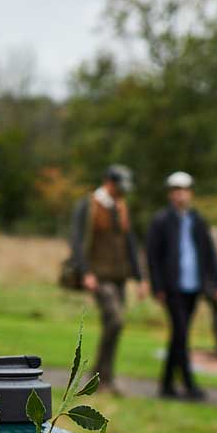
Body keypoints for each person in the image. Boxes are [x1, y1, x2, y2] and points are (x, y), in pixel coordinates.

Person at [145, 172, 217, 402]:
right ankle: (190, 386)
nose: (180, 195)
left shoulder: (197, 221)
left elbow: (210, 255)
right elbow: (153, 257)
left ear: (190, 193)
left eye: (184, 190)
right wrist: (157, 286)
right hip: (172, 287)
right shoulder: (161, 221)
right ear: (171, 194)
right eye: (176, 191)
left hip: (193, 286)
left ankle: (167, 385)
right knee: (181, 334)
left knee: (179, 336)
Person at [69, 164, 146, 392]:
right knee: (115, 320)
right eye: (120, 186)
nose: (123, 191)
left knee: (114, 325)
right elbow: (76, 241)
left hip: (119, 277)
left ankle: (104, 378)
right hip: (99, 276)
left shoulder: (121, 207)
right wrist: (85, 272)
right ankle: (101, 377)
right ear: (108, 183)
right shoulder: (88, 205)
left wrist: (141, 277)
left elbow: (130, 242)